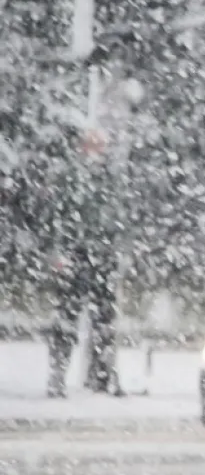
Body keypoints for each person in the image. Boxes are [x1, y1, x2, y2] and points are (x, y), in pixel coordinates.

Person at [46, 126, 125, 398]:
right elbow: (57, 216)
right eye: (91, 145)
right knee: (67, 320)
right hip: (76, 255)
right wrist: (59, 252)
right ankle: (57, 377)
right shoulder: (71, 178)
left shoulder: (108, 178)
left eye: (100, 145)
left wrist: (116, 251)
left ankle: (103, 377)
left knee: (104, 322)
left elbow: (117, 218)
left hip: (102, 257)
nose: (96, 151)